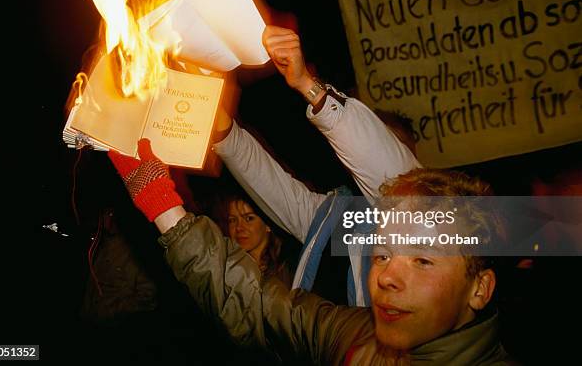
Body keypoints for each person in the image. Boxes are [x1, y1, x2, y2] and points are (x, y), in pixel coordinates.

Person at [107, 139, 513, 364]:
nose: (386, 276)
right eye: (383, 254)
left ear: (480, 287)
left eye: (422, 260)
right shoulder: (354, 336)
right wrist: (162, 205)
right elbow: (258, 304)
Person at [210, 25, 421, 306]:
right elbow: (258, 171)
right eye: (381, 138)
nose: (372, 152)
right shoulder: (329, 217)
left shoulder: (428, 220)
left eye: (393, 145)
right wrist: (208, 103)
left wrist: (307, 84)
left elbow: (384, 162)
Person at [219, 190, 295, 288]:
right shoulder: (227, 268)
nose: (239, 227)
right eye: (232, 220)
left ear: (268, 225)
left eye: (249, 218)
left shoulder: (286, 272)